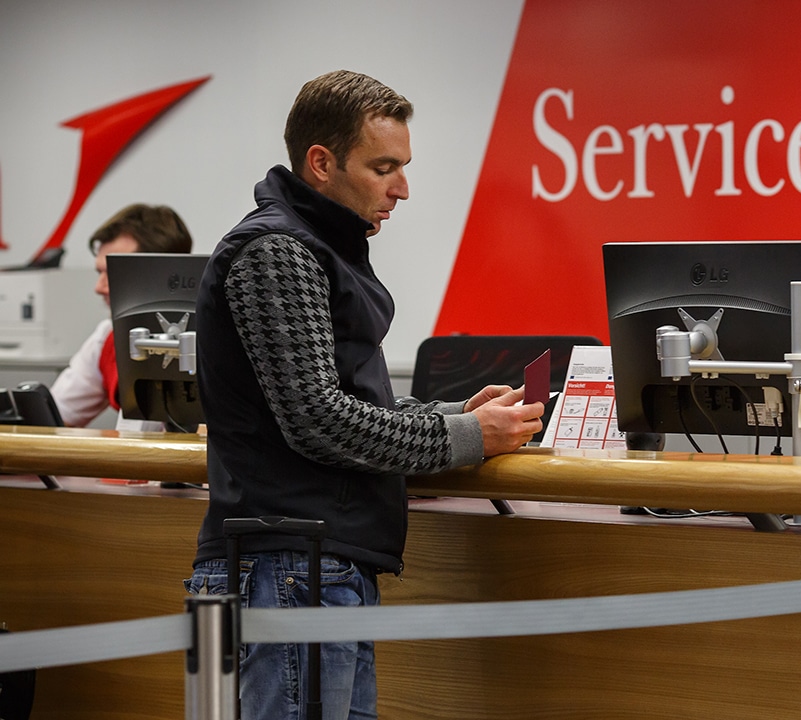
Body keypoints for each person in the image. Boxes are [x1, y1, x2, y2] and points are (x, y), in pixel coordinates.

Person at [186, 70, 544, 719]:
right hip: (291, 568)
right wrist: (464, 438)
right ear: (321, 163)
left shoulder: (316, 248)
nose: (402, 189)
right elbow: (318, 420)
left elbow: (340, 400)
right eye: (383, 167)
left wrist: (450, 417)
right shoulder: (279, 251)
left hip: (313, 568)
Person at [49, 203, 193, 427]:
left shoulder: (219, 337)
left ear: (162, 272)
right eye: (100, 272)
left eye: (113, 272)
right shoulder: (107, 337)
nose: (99, 287)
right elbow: (56, 417)